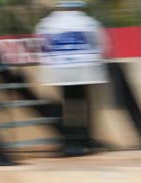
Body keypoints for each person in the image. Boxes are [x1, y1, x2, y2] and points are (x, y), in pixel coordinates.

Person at [35, 1, 109, 156]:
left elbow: (42, 48)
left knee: (68, 105)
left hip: (60, 72)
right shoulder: (88, 22)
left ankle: (71, 142)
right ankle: (83, 141)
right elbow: (101, 46)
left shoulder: (47, 24)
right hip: (84, 71)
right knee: (83, 106)